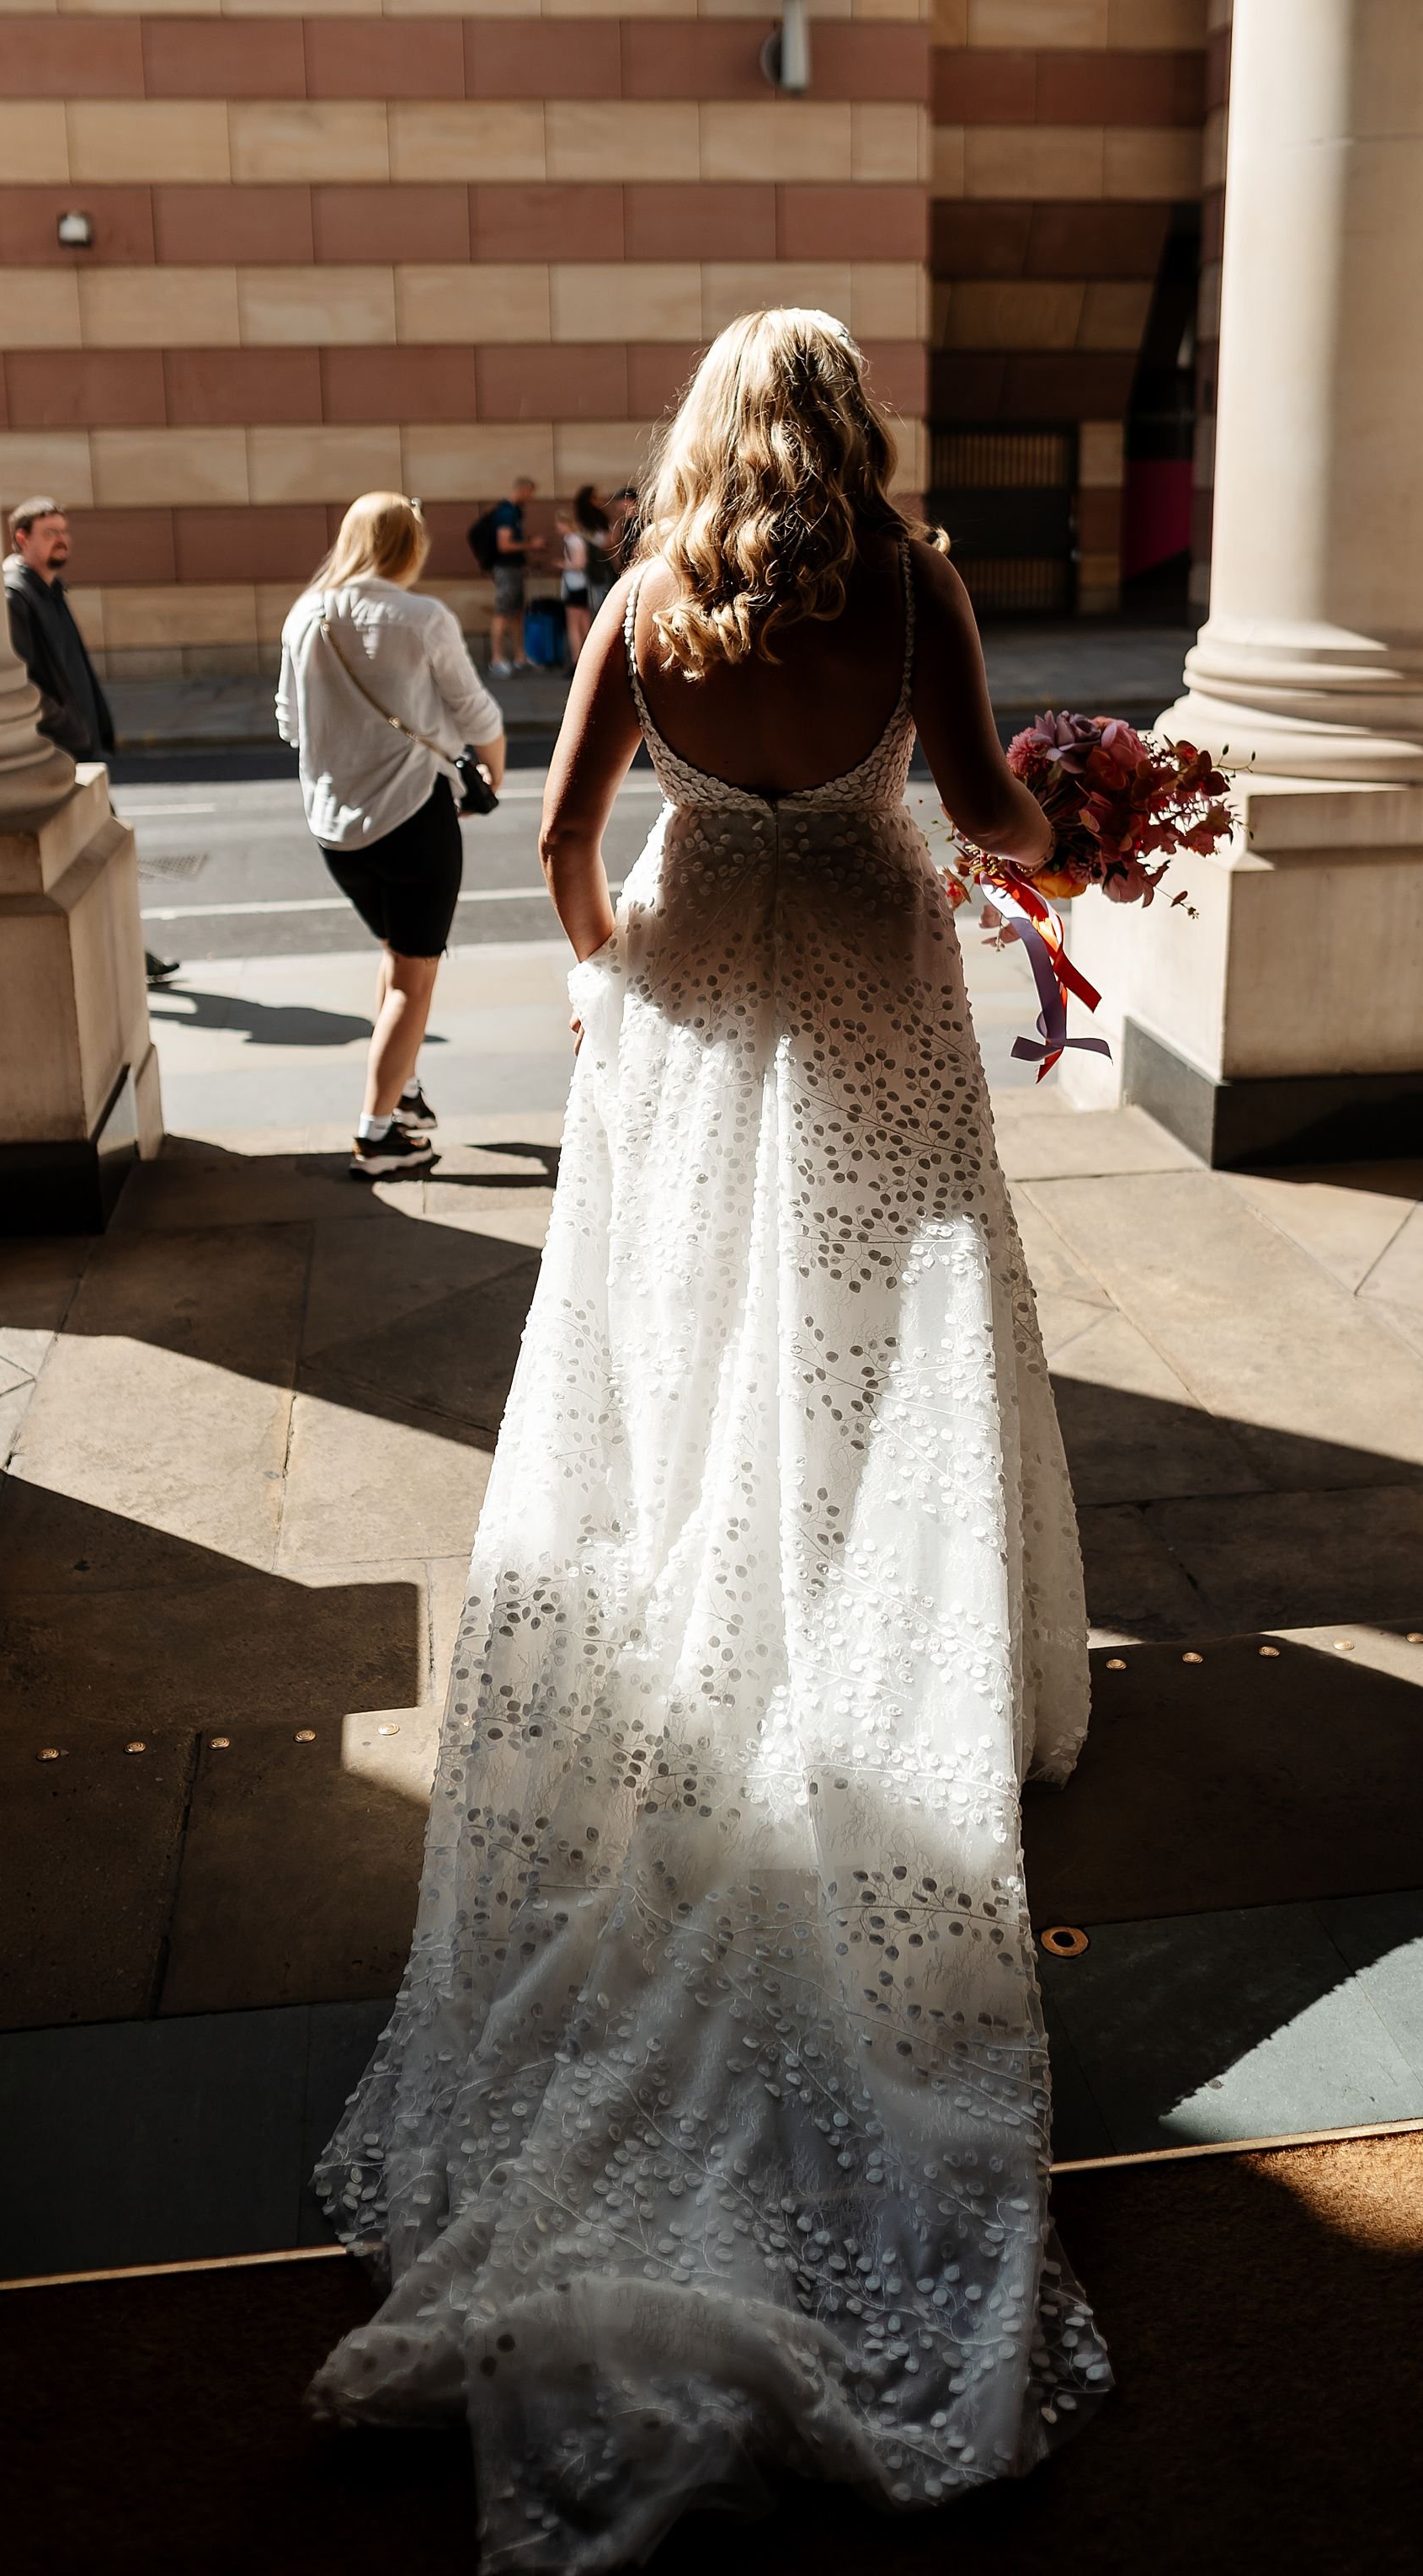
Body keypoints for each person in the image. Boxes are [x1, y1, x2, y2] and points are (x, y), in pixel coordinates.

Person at [309, 311, 1107, 2563]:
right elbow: (983, 811)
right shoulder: (913, 585)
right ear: (852, 433)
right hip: (864, 965)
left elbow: (568, 841)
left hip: (691, 975)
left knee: (677, 1348)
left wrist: (607, 986)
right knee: (879, 1330)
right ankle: (861, 1620)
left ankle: (716, 1615)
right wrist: (1079, 801)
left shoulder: (650, 600)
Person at [277, 492, 505, 1176]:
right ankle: (376, 1137)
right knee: (416, 975)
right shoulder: (422, 617)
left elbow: (290, 723)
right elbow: (476, 712)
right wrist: (491, 778)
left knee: (395, 951)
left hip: (334, 829)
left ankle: (402, 1091)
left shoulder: (304, 614)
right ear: (411, 546)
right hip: (412, 818)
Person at [3, 495, 178, 990]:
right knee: (103, 851)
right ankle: (126, 959)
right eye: (49, 532)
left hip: (80, 747)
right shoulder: (16, 596)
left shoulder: (49, 591)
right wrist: (70, 728)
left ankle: (127, 956)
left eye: (64, 530)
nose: (62, 539)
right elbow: (22, 683)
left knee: (104, 853)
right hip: (59, 751)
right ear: (22, 538)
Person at [488, 474, 541, 675]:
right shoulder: (506, 512)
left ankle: (520, 656)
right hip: (506, 568)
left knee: (516, 612)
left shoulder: (515, 512)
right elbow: (505, 545)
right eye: (530, 493)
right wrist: (531, 545)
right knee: (503, 611)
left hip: (514, 568)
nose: (531, 498)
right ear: (523, 490)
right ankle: (497, 658)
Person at [555, 505, 592, 665]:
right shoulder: (579, 538)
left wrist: (563, 565)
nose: (557, 527)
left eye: (558, 523)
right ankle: (589, 656)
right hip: (582, 585)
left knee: (574, 624)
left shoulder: (572, 539)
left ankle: (576, 659)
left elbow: (579, 563)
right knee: (584, 622)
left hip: (574, 585)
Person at [573, 482, 617, 614]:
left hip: (602, 564)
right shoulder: (585, 521)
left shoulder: (600, 517)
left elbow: (610, 540)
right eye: (594, 497)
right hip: (593, 565)